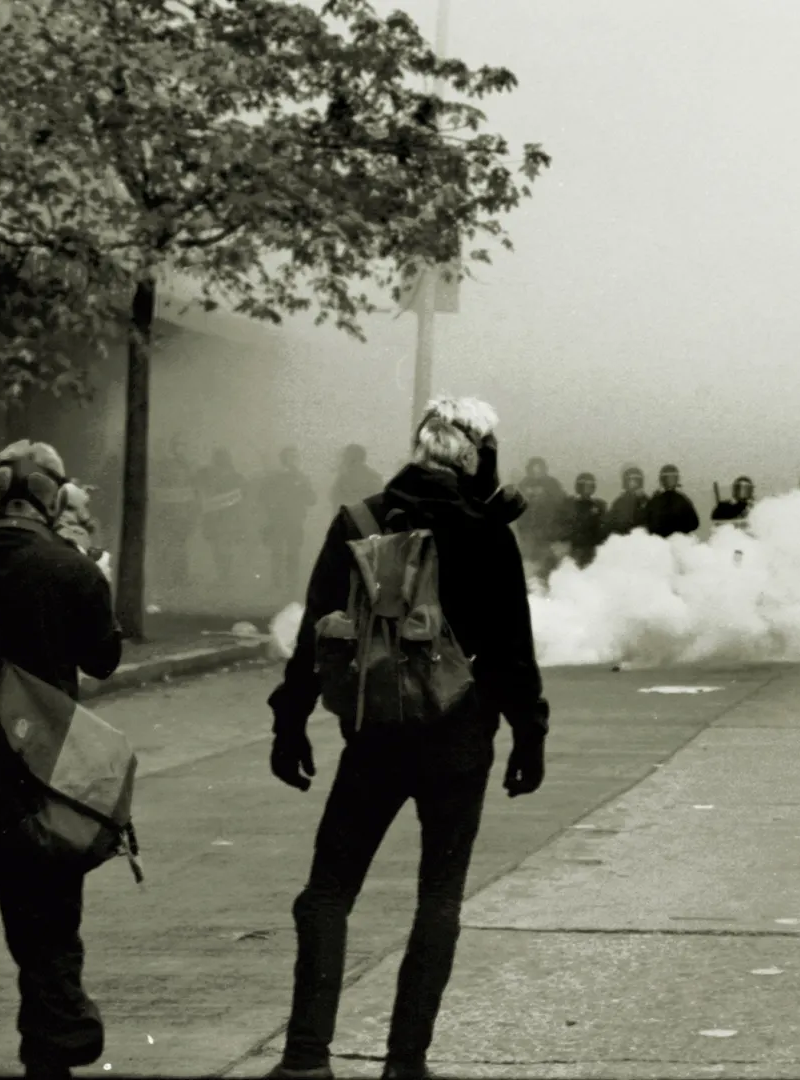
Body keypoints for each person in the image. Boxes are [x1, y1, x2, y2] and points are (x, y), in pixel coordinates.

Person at [265, 396, 549, 1080]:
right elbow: (513, 651)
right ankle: (405, 1064)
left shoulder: (358, 520)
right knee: (439, 896)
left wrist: (291, 720)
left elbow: (316, 629)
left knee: (327, 892)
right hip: (459, 739)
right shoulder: (489, 533)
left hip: (374, 735)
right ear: (478, 455)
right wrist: (528, 735)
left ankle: (305, 1057)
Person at [0, 440, 123, 1080]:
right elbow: (104, 659)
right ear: (54, 497)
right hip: (43, 788)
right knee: (49, 947)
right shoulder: (74, 570)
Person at [259, 448, 317, 596]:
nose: (293, 461)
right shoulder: (275, 478)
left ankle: (290, 584)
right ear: (283, 459)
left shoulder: (301, 478)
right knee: (277, 552)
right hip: (278, 519)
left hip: (293, 520)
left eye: (294, 457)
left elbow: (311, 499)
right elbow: (264, 496)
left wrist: (302, 491)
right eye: (290, 457)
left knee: (292, 552)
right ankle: (277, 583)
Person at [196, 448, 251, 585]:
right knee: (219, 548)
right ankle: (223, 575)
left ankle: (224, 576)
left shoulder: (236, 477)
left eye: (222, 458)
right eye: (218, 458)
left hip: (227, 519)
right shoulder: (207, 475)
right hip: (217, 518)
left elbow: (243, 495)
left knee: (223, 547)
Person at [152, 434, 198, 591]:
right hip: (168, 511)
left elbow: (193, 490)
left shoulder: (189, 466)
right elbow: (158, 487)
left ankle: (181, 578)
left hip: (183, 513)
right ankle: (168, 579)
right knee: (168, 545)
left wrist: (193, 511)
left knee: (181, 546)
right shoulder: (164, 465)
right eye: (179, 445)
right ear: (173, 447)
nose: (181, 448)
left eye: (183, 445)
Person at [513, 457, 566, 562]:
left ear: (544, 469)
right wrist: (526, 495)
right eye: (534, 469)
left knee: (545, 557)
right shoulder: (524, 483)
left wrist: (546, 493)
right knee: (528, 558)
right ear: (529, 470)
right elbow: (515, 505)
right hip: (527, 529)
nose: (536, 472)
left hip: (547, 528)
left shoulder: (552, 483)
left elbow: (561, 501)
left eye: (539, 469)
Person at [556, 472, 606, 568]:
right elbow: (563, 524)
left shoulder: (599, 505)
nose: (587, 488)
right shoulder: (570, 504)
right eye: (585, 485)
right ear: (579, 486)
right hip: (575, 546)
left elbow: (604, 525)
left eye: (590, 485)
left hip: (593, 546)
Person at [643, 464, 699, 538]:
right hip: (664, 542)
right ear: (663, 479)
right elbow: (647, 522)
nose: (670, 481)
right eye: (668, 478)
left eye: (673, 478)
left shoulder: (681, 499)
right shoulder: (656, 500)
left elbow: (694, 523)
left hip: (673, 541)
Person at [329, 444, 385, 510]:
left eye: (346, 457)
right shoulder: (342, 478)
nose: (344, 460)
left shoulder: (373, 479)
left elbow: (376, 503)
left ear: (356, 460)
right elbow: (334, 501)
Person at [604, 465, 649, 539]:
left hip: (642, 541)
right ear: (625, 482)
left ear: (641, 482)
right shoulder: (619, 502)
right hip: (624, 541)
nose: (634, 484)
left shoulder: (646, 501)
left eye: (636, 480)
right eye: (631, 481)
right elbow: (610, 524)